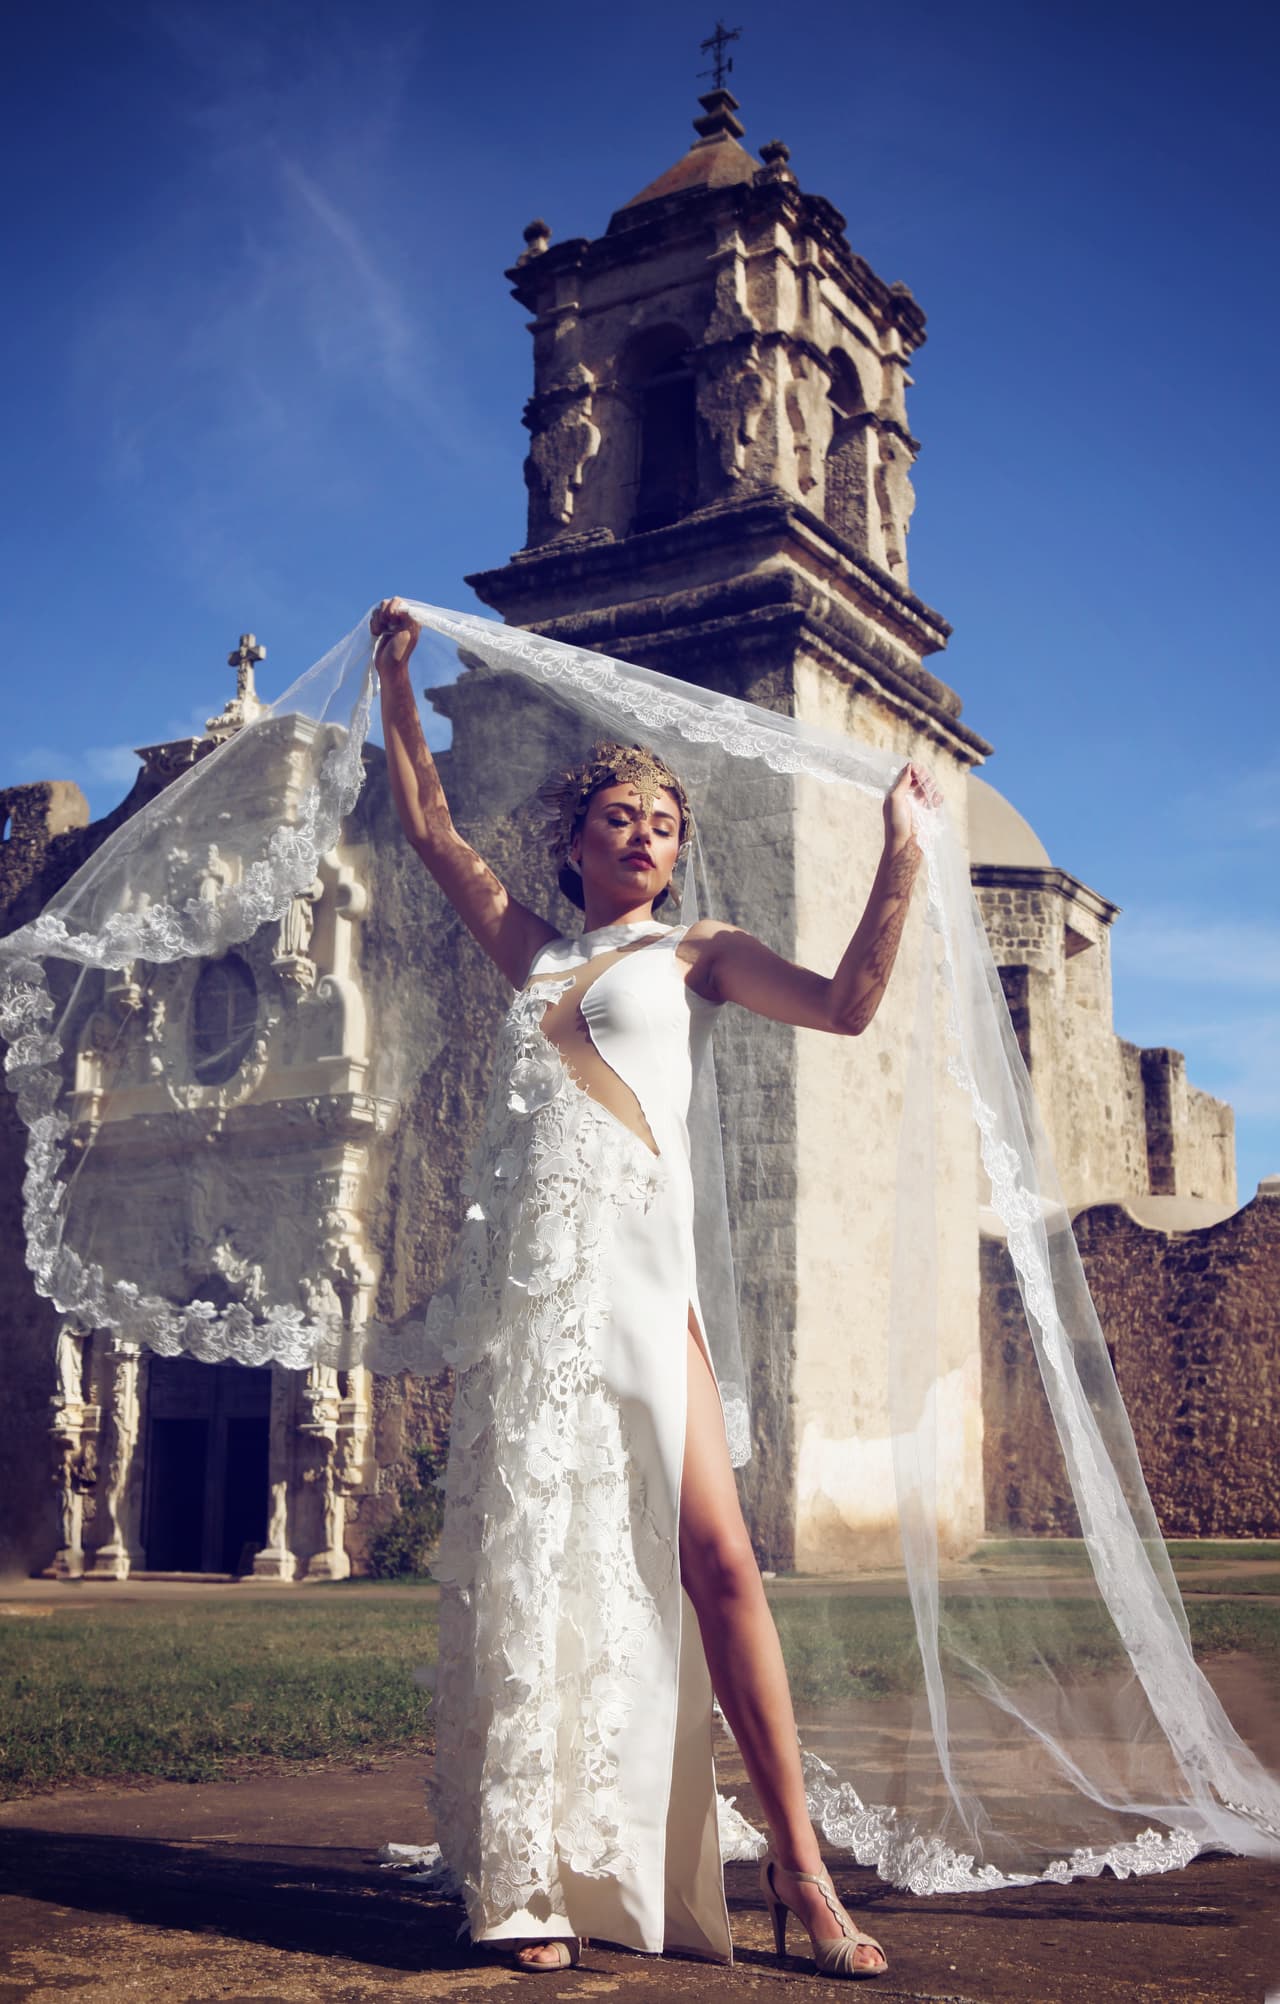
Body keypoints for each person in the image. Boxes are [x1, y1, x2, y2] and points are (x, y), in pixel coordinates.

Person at [371, 597, 944, 1977]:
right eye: (621, 816)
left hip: (647, 1290)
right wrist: (396, 679)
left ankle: (804, 1883)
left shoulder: (697, 955)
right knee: (537, 1575)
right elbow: (434, 831)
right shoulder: (534, 951)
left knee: (724, 1565)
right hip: (538, 1305)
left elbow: (850, 1006)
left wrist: (903, 861)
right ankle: (531, 1884)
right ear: (574, 841)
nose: (646, 834)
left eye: (665, 822)